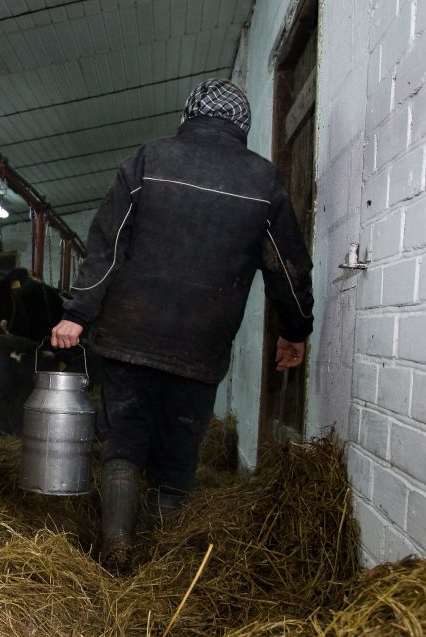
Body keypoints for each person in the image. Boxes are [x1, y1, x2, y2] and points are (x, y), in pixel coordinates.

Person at [50, 79, 314, 572]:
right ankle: (167, 564)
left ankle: (119, 544)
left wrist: (78, 312)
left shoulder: (148, 160)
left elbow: (107, 247)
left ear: (188, 116)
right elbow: (288, 268)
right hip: (200, 347)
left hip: (127, 336)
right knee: (178, 452)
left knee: (124, 438)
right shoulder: (264, 182)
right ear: (243, 126)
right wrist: (296, 329)